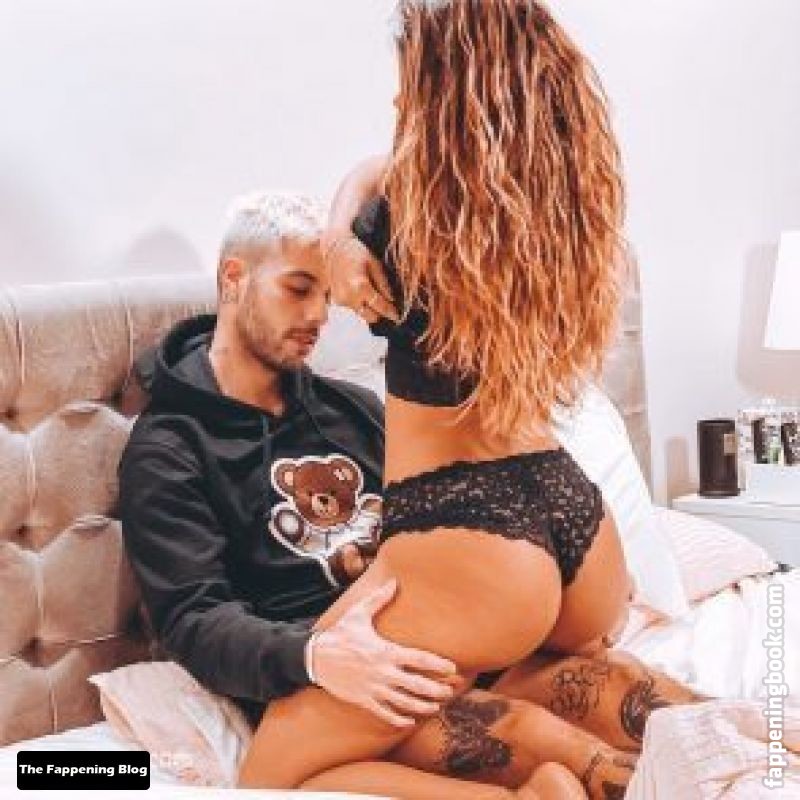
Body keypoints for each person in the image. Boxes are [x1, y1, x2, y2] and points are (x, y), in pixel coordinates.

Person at [237, 2, 646, 797]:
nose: (398, 105)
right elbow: (383, 165)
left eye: (411, 87)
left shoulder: (403, 219)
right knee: (482, 692)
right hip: (577, 523)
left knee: (271, 775)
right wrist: (348, 219)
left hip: (472, 540)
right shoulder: (556, 205)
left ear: (447, 94)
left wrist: (340, 230)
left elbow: (367, 187)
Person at [118, 191, 461, 732]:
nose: (319, 316)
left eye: (326, 296)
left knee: (592, 695)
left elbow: (436, 518)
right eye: (298, 289)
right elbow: (194, 619)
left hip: (426, 637)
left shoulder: (353, 409)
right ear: (233, 279)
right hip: (318, 683)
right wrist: (315, 657)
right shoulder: (169, 448)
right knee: (530, 744)